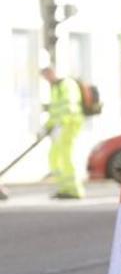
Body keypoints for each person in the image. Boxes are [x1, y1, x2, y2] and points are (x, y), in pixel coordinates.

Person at [42, 62, 85, 199]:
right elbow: (55, 112)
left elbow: (69, 106)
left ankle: (74, 190)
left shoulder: (67, 84)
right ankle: (64, 188)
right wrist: (47, 126)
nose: (46, 79)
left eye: (46, 75)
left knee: (66, 156)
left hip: (69, 124)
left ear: (52, 72)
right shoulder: (56, 88)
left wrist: (62, 123)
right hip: (60, 126)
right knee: (54, 156)